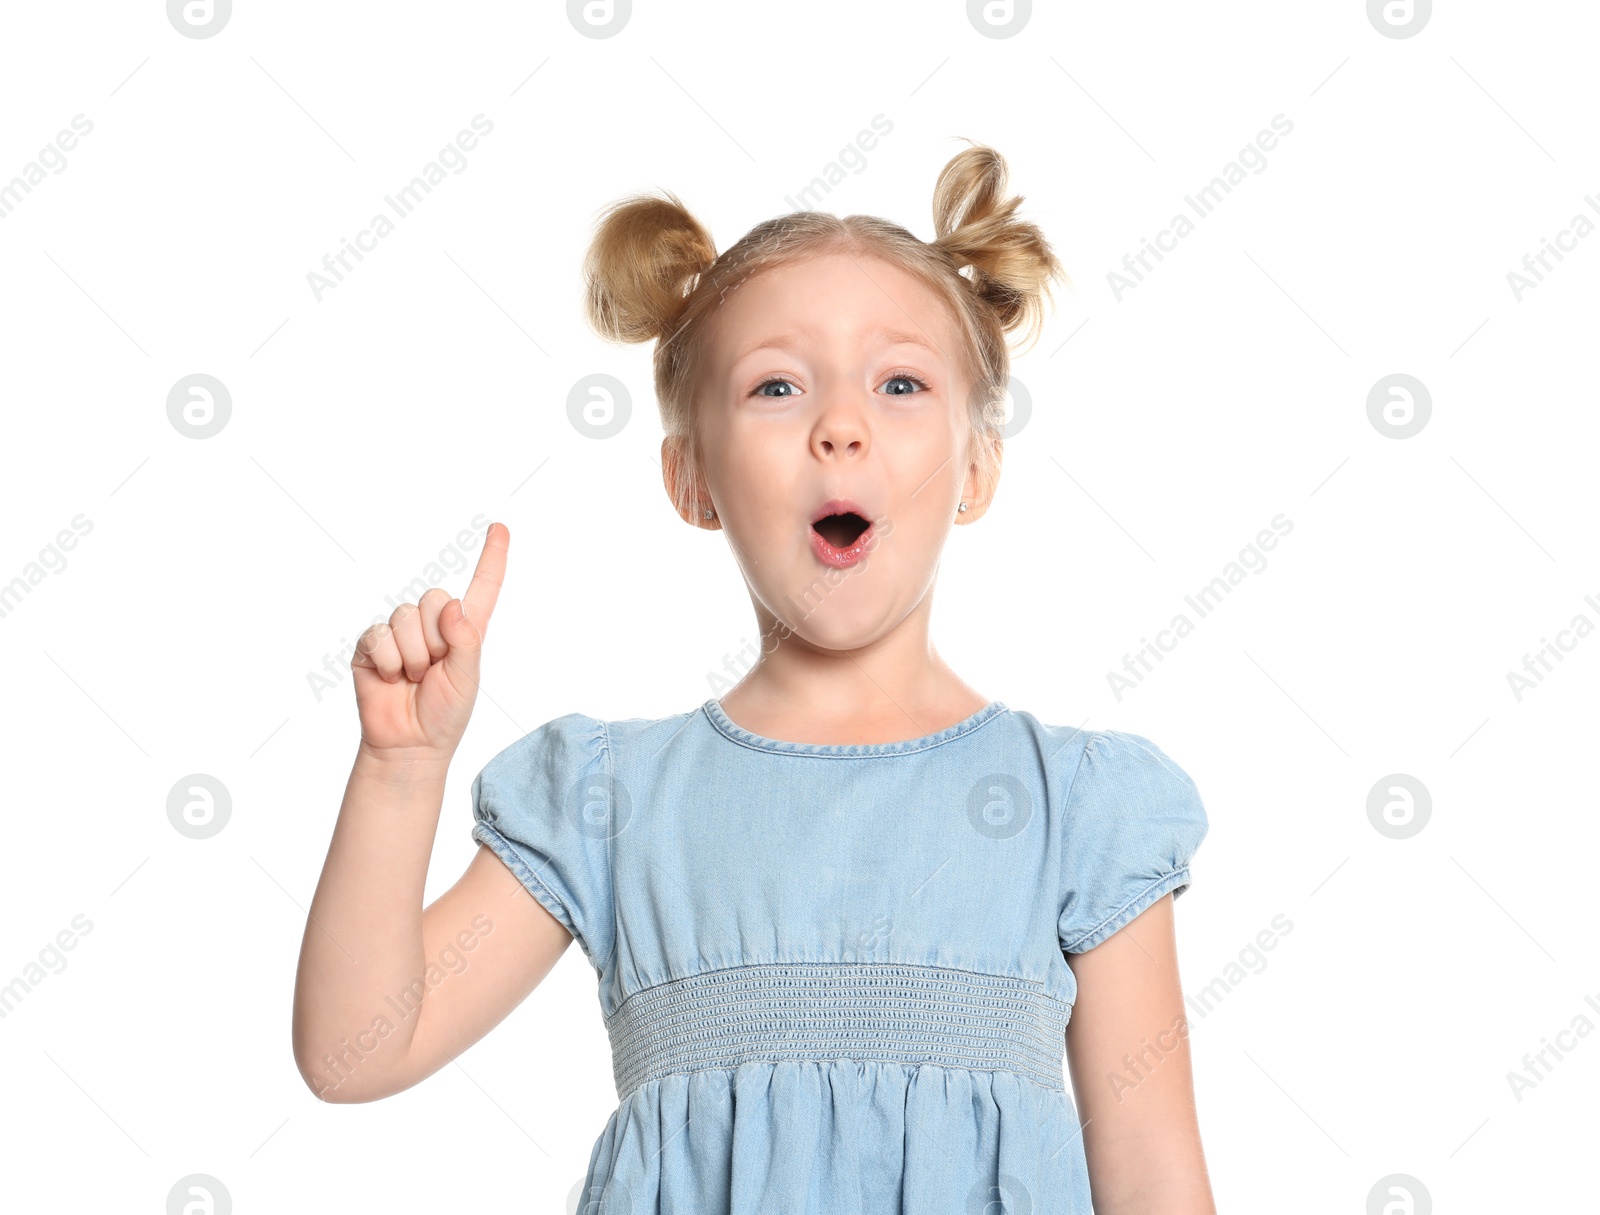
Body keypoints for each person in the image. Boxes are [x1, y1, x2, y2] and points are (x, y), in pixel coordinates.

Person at [292, 139, 1216, 1214]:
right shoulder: (613, 798)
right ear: (691, 477)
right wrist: (401, 772)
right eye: (775, 385)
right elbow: (353, 1052)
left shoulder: (1077, 807)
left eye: (901, 382)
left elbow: (1155, 1177)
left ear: (976, 466)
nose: (839, 426)